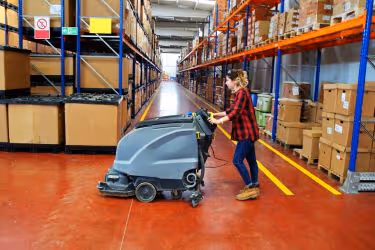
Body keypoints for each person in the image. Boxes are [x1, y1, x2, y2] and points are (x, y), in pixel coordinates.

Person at [208, 69, 260, 201]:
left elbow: (235, 113)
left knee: (237, 160)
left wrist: (217, 121)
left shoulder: (242, 93)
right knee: (251, 161)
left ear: (234, 81)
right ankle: (254, 184)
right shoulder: (239, 93)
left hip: (246, 133)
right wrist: (214, 114)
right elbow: (230, 110)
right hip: (248, 132)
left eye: (227, 80)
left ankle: (250, 188)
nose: (225, 83)